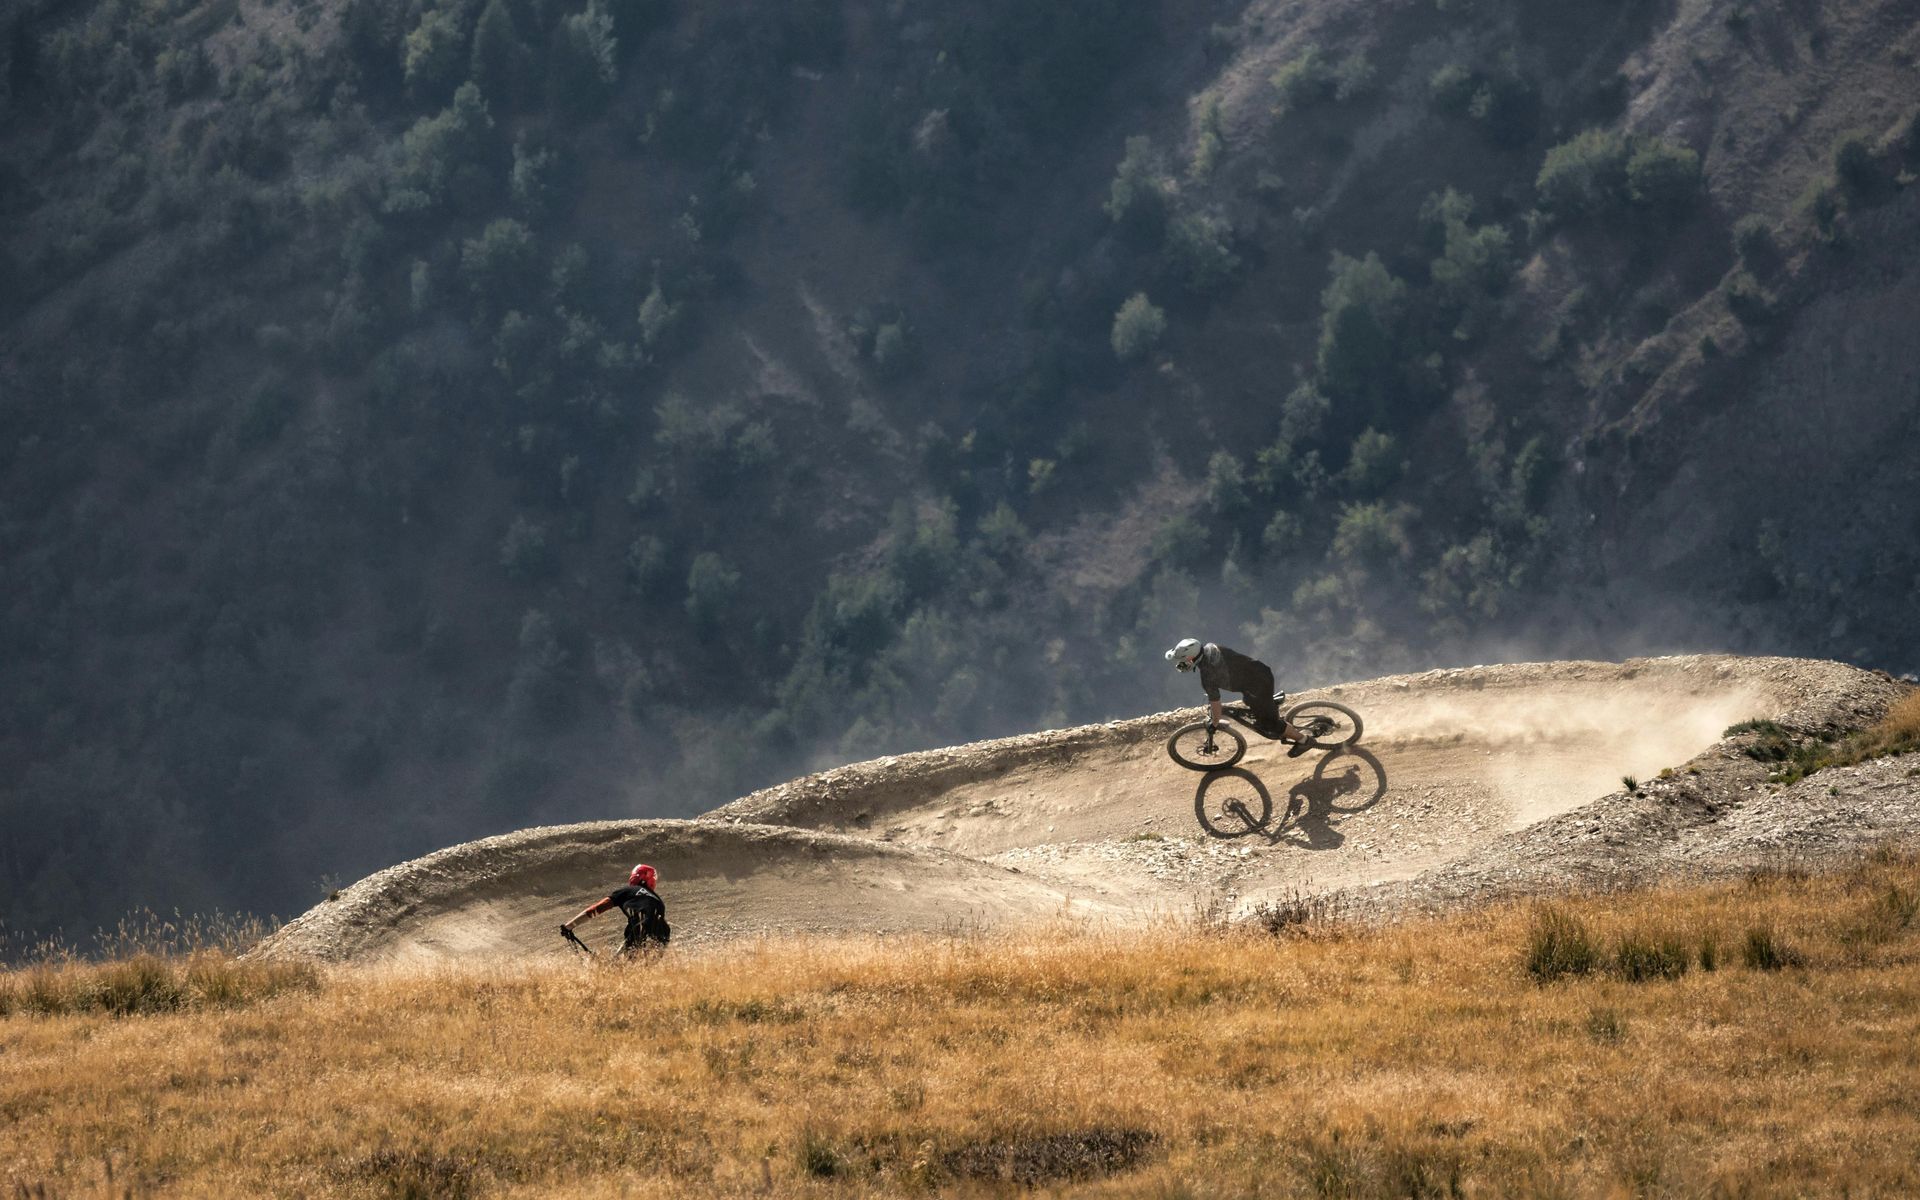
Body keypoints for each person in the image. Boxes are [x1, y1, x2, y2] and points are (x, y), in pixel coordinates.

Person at [1165, 637, 1312, 757]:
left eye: (1182, 660)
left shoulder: (1207, 676)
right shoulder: (1212, 648)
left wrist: (1214, 723)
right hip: (1259, 673)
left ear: (1191, 658)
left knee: (1269, 725)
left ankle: (1303, 740)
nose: (1180, 664)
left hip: (1258, 685)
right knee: (1250, 702)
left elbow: (1216, 704)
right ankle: (1269, 705)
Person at [562, 863, 671, 957]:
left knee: (617, 969)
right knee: (642, 968)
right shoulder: (658, 900)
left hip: (638, 929)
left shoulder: (628, 891)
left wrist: (569, 926)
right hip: (663, 936)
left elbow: (597, 909)